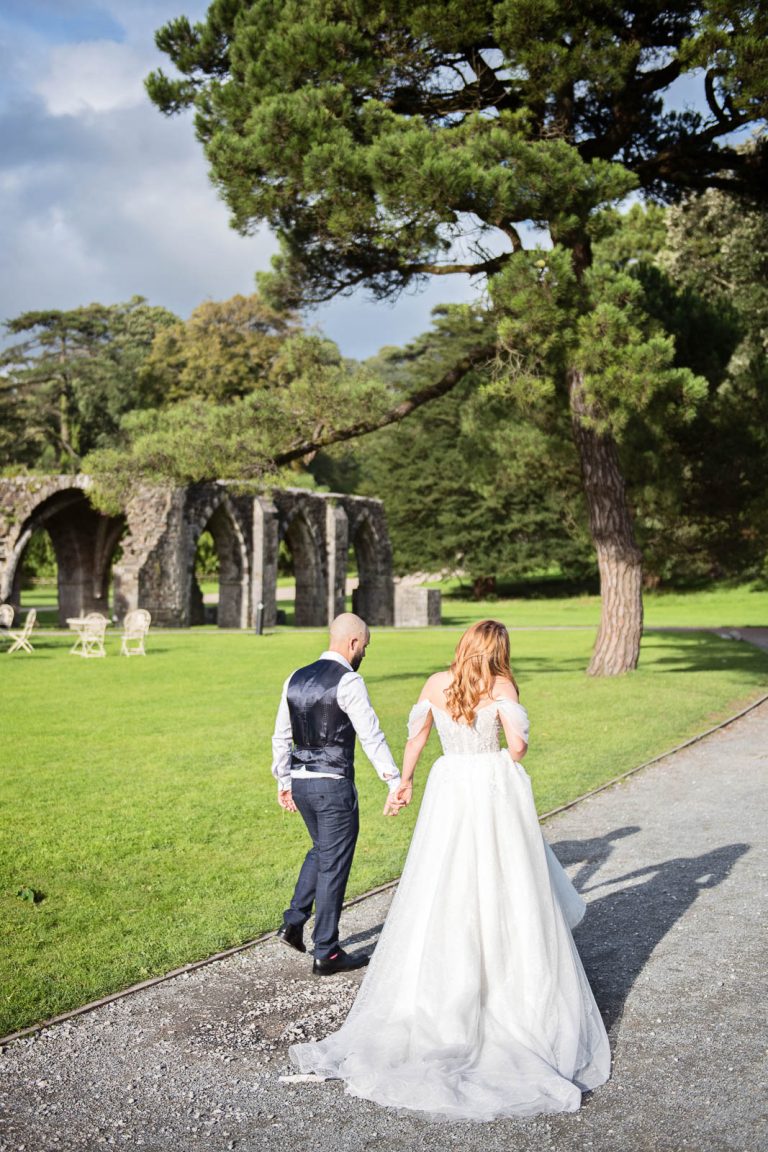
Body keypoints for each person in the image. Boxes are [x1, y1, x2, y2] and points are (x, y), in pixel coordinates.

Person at [288, 620, 611, 1119]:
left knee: (445, 881)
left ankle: (441, 986)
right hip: (490, 788)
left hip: (449, 788)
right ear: (499, 650)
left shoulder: (436, 684)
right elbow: (519, 749)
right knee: (505, 881)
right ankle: (506, 979)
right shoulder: (502, 685)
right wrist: (508, 729)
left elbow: (416, 739)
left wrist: (405, 782)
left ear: (463, 646)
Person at [271, 612, 402, 975]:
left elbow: (281, 736)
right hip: (332, 786)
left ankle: (293, 923)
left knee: (322, 851)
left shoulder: (294, 678)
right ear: (353, 643)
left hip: (301, 783)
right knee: (334, 864)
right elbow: (371, 735)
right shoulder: (349, 681)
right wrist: (393, 781)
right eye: (365, 647)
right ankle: (326, 951)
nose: (364, 654)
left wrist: (284, 781)